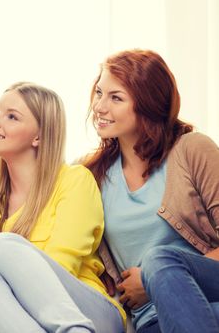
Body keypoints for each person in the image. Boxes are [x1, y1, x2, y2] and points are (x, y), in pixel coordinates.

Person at [0, 82, 125, 333]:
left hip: (90, 311)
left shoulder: (74, 180)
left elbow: (62, 265)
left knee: (2, 245)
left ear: (38, 136)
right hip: (30, 319)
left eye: (12, 116)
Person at [83, 49, 219, 333]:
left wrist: (151, 278)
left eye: (115, 97)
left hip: (211, 298)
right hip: (153, 321)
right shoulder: (91, 175)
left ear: (147, 105)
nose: (99, 106)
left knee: (158, 259)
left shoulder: (191, 149)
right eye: (99, 93)